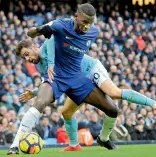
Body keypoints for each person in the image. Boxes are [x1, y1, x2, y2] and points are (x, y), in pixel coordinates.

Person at [7, 3, 119, 155]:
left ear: (34, 47)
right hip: (58, 80)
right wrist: (34, 92)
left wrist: (42, 30)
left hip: (77, 77)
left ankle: (103, 138)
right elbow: (46, 77)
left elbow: (47, 39)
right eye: (24, 57)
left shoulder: (51, 40)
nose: (27, 59)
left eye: (27, 53)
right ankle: (15, 145)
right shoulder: (40, 66)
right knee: (40, 102)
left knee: (112, 108)